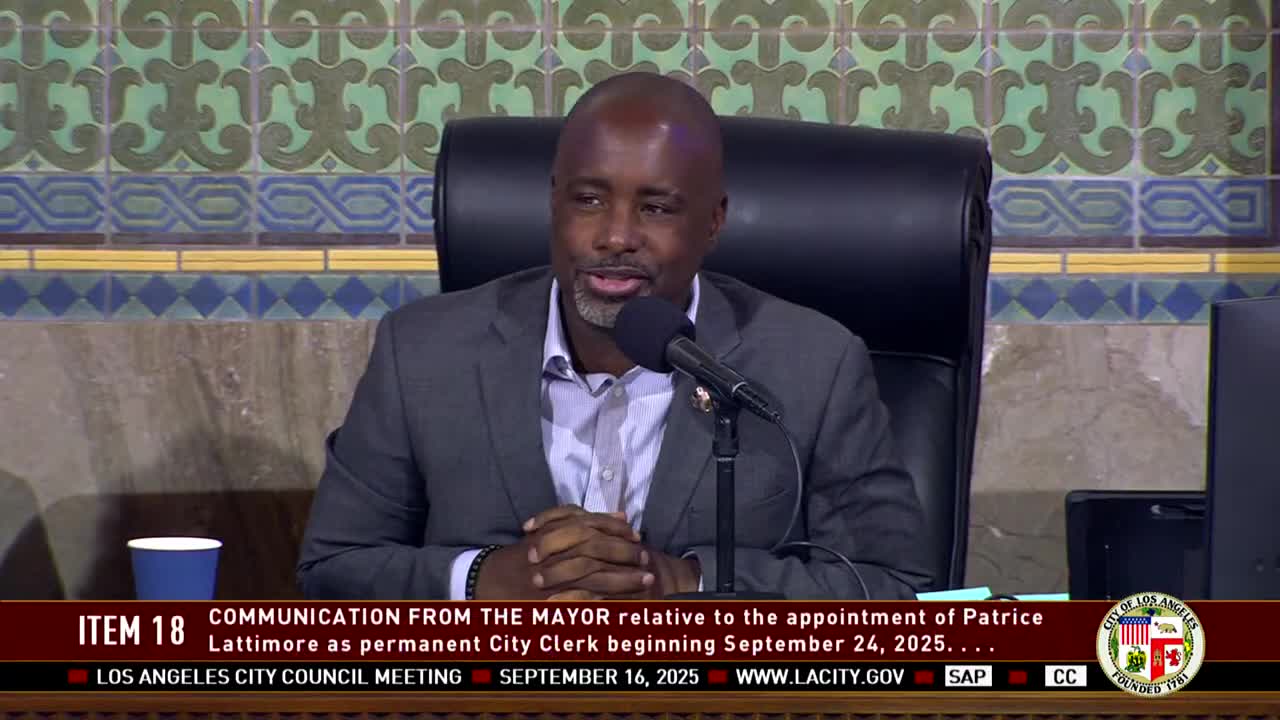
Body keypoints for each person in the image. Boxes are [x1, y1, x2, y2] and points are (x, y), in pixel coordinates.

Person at [296, 72, 931, 600]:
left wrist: (684, 582)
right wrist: (482, 577)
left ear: (713, 222)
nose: (616, 236)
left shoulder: (813, 365)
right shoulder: (422, 352)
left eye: (656, 208)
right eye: (589, 200)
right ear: (554, 202)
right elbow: (332, 569)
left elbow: (897, 587)